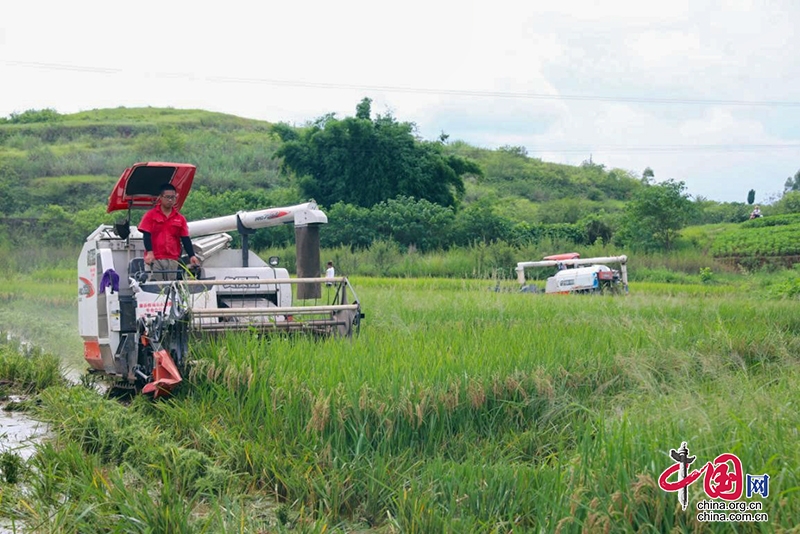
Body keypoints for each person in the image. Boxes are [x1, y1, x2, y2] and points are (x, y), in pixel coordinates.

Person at [138, 183, 200, 281]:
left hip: (172, 259)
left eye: (172, 197)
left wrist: (192, 255)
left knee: (171, 288)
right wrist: (150, 253)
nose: (170, 200)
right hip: (155, 258)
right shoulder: (150, 215)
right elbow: (146, 235)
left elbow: (185, 239)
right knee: (156, 288)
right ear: (161, 198)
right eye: (167, 197)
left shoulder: (180, 219)